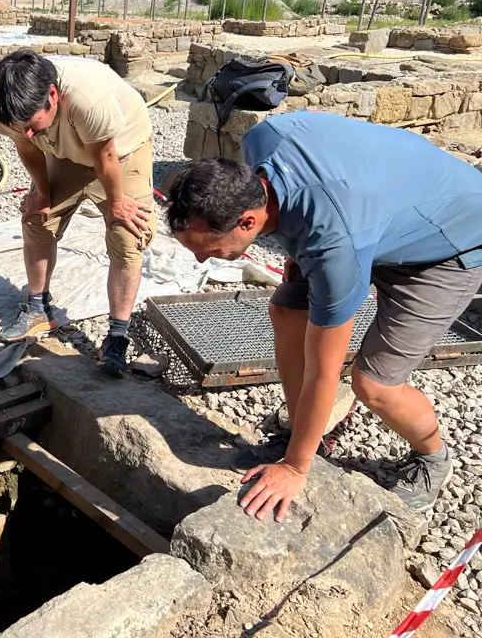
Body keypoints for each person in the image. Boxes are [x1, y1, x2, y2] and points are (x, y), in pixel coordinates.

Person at [165, 111, 482, 521]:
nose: (200, 258)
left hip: (449, 242)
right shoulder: (261, 143)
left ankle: (433, 458)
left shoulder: (334, 244)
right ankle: (306, 434)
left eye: (208, 248)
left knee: (375, 383)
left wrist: (295, 469)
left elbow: (323, 370)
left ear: (247, 221)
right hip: (378, 215)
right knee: (285, 310)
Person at [0, 49, 156, 376]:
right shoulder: (11, 113)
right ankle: (38, 308)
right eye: (19, 126)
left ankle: (117, 337)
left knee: (128, 233)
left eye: (33, 124)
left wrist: (117, 203)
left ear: (52, 95)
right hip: (66, 151)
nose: (26, 132)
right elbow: (27, 147)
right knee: (38, 218)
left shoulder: (88, 99)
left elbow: (105, 156)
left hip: (120, 152)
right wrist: (42, 193)